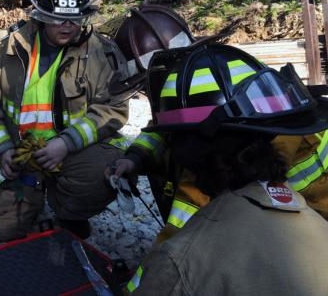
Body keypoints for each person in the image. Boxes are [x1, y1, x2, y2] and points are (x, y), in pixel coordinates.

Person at [108, 10, 328, 244]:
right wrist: (135, 157)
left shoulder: (236, 113)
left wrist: (161, 265)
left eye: (144, 86)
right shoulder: (209, 77)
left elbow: (194, 205)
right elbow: (164, 127)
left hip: (313, 216)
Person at [123, 43, 328, 294]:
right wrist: (135, 156)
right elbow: (166, 128)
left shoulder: (185, 252)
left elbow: (182, 232)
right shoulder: (265, 111)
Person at [0, 0, 132, 242]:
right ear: (40, 14)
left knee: (104, 173)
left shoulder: (102, 54)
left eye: (74, 18)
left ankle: (68, 213)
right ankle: (28, 195)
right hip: (20, 158)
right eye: (58, 18)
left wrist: (65, 144)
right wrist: (2, 150)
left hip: (72, 155)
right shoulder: (6, 53)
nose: (67, 26)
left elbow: (113, 108)